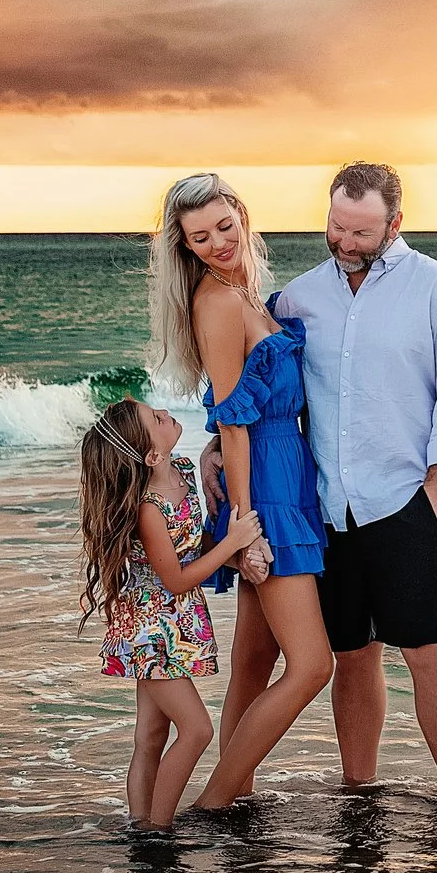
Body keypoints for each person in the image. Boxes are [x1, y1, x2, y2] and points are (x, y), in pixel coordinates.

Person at [275, 162, 437, 797]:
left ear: (395, 224)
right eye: (337, 227)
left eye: (362, 232)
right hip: (329, 510)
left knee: (428, 654)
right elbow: (274, 396)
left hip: (409, 502)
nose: (346, 242)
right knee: (352, 656)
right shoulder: (297, 299)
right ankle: (358, 792)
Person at [145, 173, 334, 807]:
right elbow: (233, 417)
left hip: (289, 474)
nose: (218, 243)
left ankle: (240, 795)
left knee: (253, 665)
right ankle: (216, 803)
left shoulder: (243, 289)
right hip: (269, 493)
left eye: (225, 226)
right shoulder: (216, 303)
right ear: (185, 247)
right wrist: (244, 529)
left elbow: (233, 419)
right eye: (200, 237)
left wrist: (213, 459)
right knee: (313, 667)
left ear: (242, 218)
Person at [77, 396, 265, 831]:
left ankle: (140, 825)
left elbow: (193, 543)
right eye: (156, 419)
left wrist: (236, 558)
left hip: (172, 624)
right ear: (151, 455)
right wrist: (233, 543)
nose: (166, 414)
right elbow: (177, 580)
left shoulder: (180, 471)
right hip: (149, 630)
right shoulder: (147, 509)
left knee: (151, 736)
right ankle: (158, 830)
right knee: (197, 730)